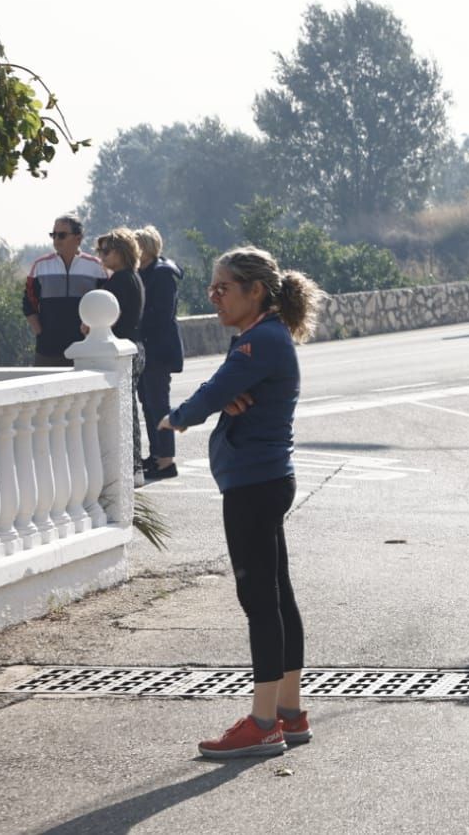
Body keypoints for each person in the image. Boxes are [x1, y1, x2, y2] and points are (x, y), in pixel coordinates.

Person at [160, 247, 322, 759]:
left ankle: (261, 722)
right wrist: (222, 396)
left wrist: (173, 418)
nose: (213, 296)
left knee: (260, 602)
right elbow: (226, 388)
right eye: (212, 286)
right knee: (277, 596)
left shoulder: (259, 343)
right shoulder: (263, 339)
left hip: (254, 485)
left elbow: (212, 391)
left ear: (255, 291)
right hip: (265, 480)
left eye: (223, 287)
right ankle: (290, 712)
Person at [94, 228, 147, 482]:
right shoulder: (134, 278)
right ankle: (136, 466)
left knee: (123, 411)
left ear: (121, 252)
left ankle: (130, 466)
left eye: (106, 251)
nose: (101, 256)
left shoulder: (117, 282)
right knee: (131, 409)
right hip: (136, 346)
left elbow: (107, 318)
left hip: (122, 349)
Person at [135, 226, 185, 481]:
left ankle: (166, 460)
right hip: (147, 349)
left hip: (159, 349)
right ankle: (157, 455)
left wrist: (136, 321)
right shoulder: (143, 273)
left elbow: (161, 314)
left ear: (147, 248)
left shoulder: (162, 274)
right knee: (148, 404)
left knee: (158, 405)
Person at [23, 215, 107, 366]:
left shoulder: (96, 267)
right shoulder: (40, 265)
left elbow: (105, 305)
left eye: (61, 235)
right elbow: (29, 303)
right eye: (53, 235)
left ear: (78, 239)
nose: (56, 239)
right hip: (47, 351)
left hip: (85, 348)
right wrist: (41, 333)